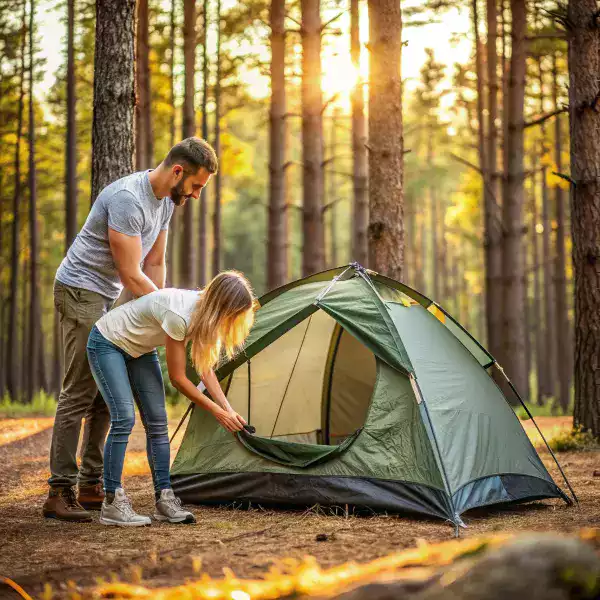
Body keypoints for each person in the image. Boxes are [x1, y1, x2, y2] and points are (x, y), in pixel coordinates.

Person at [44, 137, 218, 522]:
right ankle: (59, 490)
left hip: (111, 294)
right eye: (196, 186)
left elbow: (154, 265)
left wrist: (160, 310)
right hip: (81, 288)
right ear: (178, 172)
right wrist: (167, 311)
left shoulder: (165, 204)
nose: (197, 194)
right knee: (80, 389)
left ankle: (91, 484)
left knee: (107, 393)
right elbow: (130, 272)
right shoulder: (128, 199)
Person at [86, 271, 255, 526]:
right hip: (108, 342)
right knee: (124, 418)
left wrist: (228, 410)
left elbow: (205, 369)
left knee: (158, 423)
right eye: (233, 314)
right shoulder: (180, 315)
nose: (233, 321)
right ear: (222, 306)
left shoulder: (205, 314)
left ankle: (165, 499)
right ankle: (112, 502)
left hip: (140, 349)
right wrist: (217, 413)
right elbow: (179, 379)